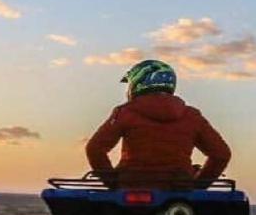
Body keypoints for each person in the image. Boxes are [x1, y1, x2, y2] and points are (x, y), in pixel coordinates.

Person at [85, 59, 231, 188]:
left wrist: (112, 182)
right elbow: (221, 154)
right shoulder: (192, 116)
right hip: (178, 187)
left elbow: (94, 149)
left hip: (131, 185)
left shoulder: (125, 112)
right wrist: (198, 185)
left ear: (137, 83)